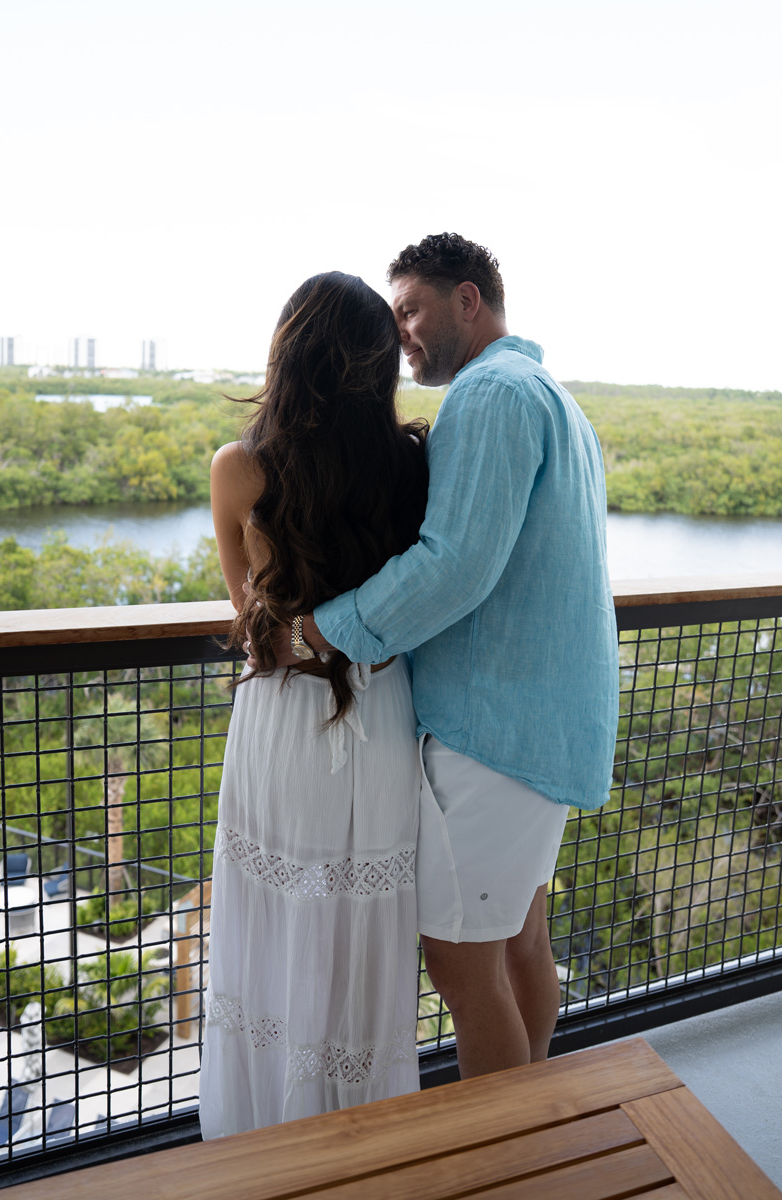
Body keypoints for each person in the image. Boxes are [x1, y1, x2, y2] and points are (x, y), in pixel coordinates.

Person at [278, 233, 621, 1079]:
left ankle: (501, 1158)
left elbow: (454, 563)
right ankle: (528, 1127)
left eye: (412, 310)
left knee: (463, 967)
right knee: (521, 948)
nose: (402, 335)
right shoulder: (552, 395)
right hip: (543, 726)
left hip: (493, 729)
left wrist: (329, 627)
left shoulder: (492, 395)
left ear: (468, 299)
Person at [198, 272, 429, 1136]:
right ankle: (358, 1139)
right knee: (359, 931)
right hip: (380, 713)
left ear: (289, 350)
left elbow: (254, 616)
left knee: (274, 918)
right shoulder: (412, 465)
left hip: (283, 717)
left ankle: (267, 1138)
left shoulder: (240, 468)